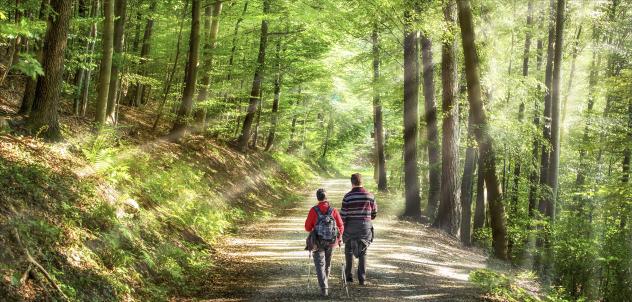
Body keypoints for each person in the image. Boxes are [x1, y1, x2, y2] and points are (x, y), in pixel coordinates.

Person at [304, 188, 344, 297]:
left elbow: (307, 227)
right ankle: (325, 283)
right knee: (327, 264)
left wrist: (314, 227)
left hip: (318, 242)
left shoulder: (314, 210)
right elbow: (340, 225)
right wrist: (339, 238)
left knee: (319, 265)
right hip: (332, 242)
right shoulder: (333, 210)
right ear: (326, 197)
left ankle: (324, 289)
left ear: (317, 198)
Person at [340, 173, 377, 285]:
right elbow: (374, 213)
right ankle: (362, 279)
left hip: (350, 226)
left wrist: (343, 228)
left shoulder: (347, 196)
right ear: (362, 182)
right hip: (365, 226)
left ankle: (349, 277)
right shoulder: (370, 196)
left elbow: (343, 215)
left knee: (349, 250)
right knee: (363, 252)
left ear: (352, 183)